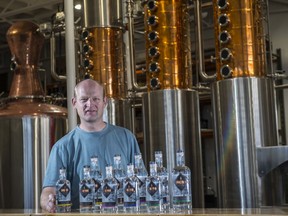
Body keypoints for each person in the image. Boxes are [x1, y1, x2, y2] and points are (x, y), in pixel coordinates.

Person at [40, 79, 142, 212]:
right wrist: (49, 201)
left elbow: (141, 181)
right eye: (84, 99)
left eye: (96, 99)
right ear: (74, 103)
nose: (90, 104)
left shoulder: (126, 138)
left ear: (104, 101)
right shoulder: (62, 147)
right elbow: (49, 190)